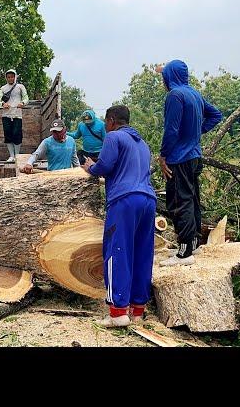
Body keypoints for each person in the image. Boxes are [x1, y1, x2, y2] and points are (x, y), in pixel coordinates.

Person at [81, 105, 157, 327]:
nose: (105, 127)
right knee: (142, 253)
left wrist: (90, 168)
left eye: (106, 122)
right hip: (148, 200)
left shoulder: (114, 137)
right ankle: (137, 311)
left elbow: (105, 165)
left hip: (124, 200)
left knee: (117, 252)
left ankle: (117, 314)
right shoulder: (143, 145)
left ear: (112, 120)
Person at [156, 60, 223, 267]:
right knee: (192, 198)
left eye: (164, 76)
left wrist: (163, 155)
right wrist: (195, 133)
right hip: (194, 155)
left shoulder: (175, 96)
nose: (163, 80)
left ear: (170, 76)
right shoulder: (194, 94)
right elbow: (215, 115)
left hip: (179, 158)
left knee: (179, 201)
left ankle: (184, 253)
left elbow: (171, 130)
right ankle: (192, 243)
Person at [0, 69, 29, 162]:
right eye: (8, 77)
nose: (10, 78)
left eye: (12, 76)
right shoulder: (3, 88)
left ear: (15, 77)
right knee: (8, 135)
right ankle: (11, 156)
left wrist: (23, 103)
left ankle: (17, 156)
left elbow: (26, 98)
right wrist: (2, 104)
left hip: (17, 115)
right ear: (6, 78)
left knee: (17, 134)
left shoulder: (20, 87)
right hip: (6, 115)